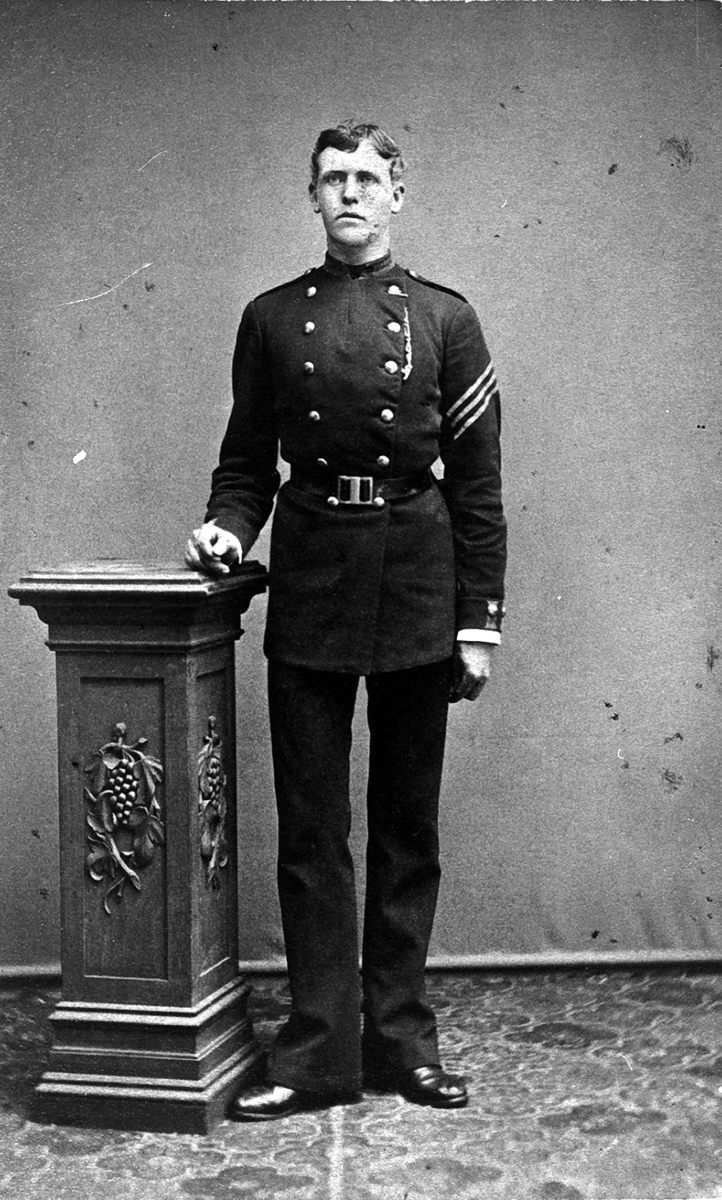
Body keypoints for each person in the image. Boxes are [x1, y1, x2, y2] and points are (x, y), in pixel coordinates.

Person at [185, 122, 507, 1120]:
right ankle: (318, 1052)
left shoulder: (447, 319)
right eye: (333, 179)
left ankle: (402, 1043)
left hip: (416, 578)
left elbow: (479, 490)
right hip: (315, 575)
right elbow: (246, 462)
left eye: (369, 177)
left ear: (397, 194)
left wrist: (478, 622)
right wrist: (227, 528)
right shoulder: (272, 318)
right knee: (312, 829)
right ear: (312, 196)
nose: (351, 194)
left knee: (407, 826)